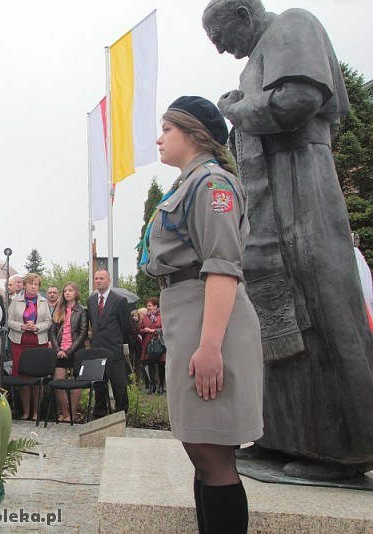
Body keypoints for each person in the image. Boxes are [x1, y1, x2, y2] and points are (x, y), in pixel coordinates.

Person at [203, 0, 373, 474]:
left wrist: (236, 109)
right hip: (271, 194)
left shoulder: (294, 25)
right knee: (277, 317)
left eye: (220, 36)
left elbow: (297, 100)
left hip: (300, 179)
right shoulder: (258, 54)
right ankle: (285, 436)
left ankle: (346, 447)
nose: (222, 49)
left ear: (242, 11)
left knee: (319, 302)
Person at [141, 95, 263, 533]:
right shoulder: (189, 184)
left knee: (213, 457)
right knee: (201, 450)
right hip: (188, 313)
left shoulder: (212, 185)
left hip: (209, 322)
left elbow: (223, 267)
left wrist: (210, 346)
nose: (159, 138)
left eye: (167, 129)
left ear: (194, 134)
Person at [6, 272, 51, 421]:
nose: (33, 286)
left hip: (39, 342)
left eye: (36, 284)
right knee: (24, 379)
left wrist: (37, 327)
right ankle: (25, 412)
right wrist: (22, 326)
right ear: (25, 285)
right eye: (31, 283)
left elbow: (48, 322)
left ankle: (37, 412)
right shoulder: (16, 301)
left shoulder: (43, 302)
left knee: (37, 379)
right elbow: (9, 321)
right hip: (20, 342)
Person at [86, 270, 131, 416]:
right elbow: (94, 323)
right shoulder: (91, 301)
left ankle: (121, 413)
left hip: (114, 349)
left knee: (118, 384)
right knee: (99, 383)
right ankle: (99, 413)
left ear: (109, 280)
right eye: (96, 278)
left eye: (102, 278)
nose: (98, 280)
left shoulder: (119, 300)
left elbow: (126, 326)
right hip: (97, 348)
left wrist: (117, 342)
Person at [49, 282, 88, 422]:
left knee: (76, 384)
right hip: (60, 352)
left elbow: (83, 334)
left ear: (76, 293)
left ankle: (72, 414)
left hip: (76, 351)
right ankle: (65, 413)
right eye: (65, 291)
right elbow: (52, 332)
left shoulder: (82, 310)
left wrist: (69, 351)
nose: (67, 293)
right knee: (58, 382)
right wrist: (58, 350)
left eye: (70, 290)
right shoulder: (58, 309)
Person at [139, 297, 165, 394]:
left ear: (155, 306)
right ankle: (152, 386)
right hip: (148, 344)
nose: (148, 307)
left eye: (150, 305)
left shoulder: (161, 316)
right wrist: (144, 330)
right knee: (150, 364)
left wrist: (154, 331)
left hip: (158, 343)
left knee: (161, 365)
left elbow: (165, 328)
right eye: (147, 306)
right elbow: (140, 329)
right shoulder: (145, 317)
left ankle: (161, 386)